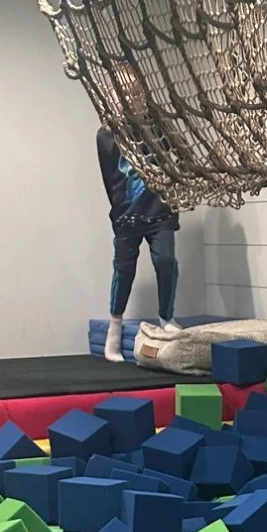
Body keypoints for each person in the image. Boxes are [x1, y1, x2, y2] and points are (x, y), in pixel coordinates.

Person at [97, 126, 180, 362]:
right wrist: (119, 207)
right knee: (123, 270)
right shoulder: (106, 135)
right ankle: (115, 325)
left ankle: (166, 316)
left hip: (160, 210)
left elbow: (177, 152)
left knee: (166, 261)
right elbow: (108, 175)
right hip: (127, 213)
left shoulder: (156, 125)